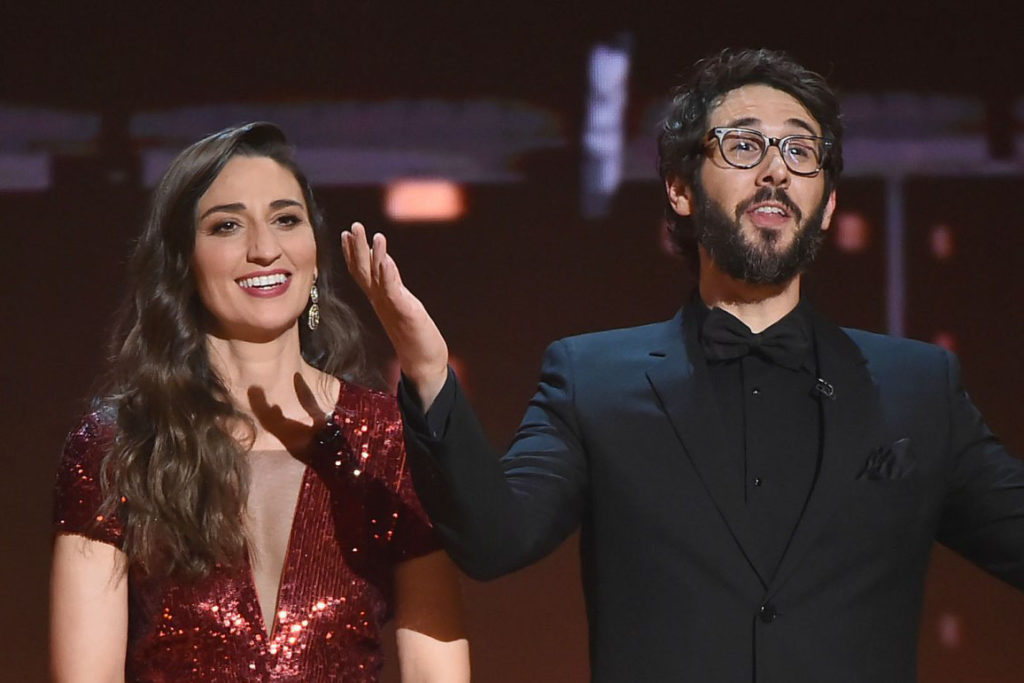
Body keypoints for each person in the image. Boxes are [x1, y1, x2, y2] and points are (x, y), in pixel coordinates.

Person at [343, 49, 1024, 682]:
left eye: (800, 148)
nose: (776, 168)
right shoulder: (594, 379)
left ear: (829, 205)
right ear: (680, 187)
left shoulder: (916, 386)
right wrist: (428, 369)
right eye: (745, 144)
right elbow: (496, 540)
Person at [50, 122, 470, 682]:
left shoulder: (386, 439)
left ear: (315, 255)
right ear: (182, 261)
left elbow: (436, 668)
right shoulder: (120, 443)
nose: (264, 249)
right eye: (227, 225)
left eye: (286, 219)